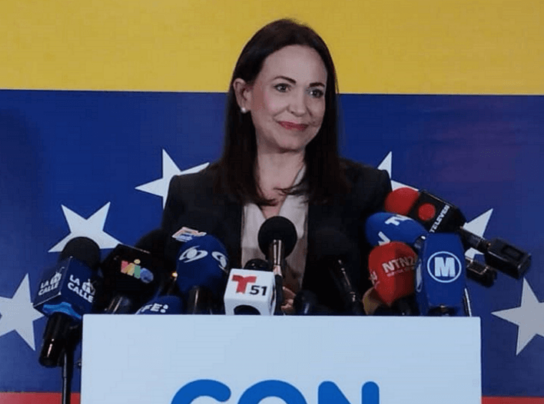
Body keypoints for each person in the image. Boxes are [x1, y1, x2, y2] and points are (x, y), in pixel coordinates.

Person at [160, 18, 392, 314]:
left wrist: (311, 316)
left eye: (315, 92)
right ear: (244, 94)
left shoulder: (366, 192)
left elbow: (381, 311)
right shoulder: (191, 194)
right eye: (283, 87)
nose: (300, 108)